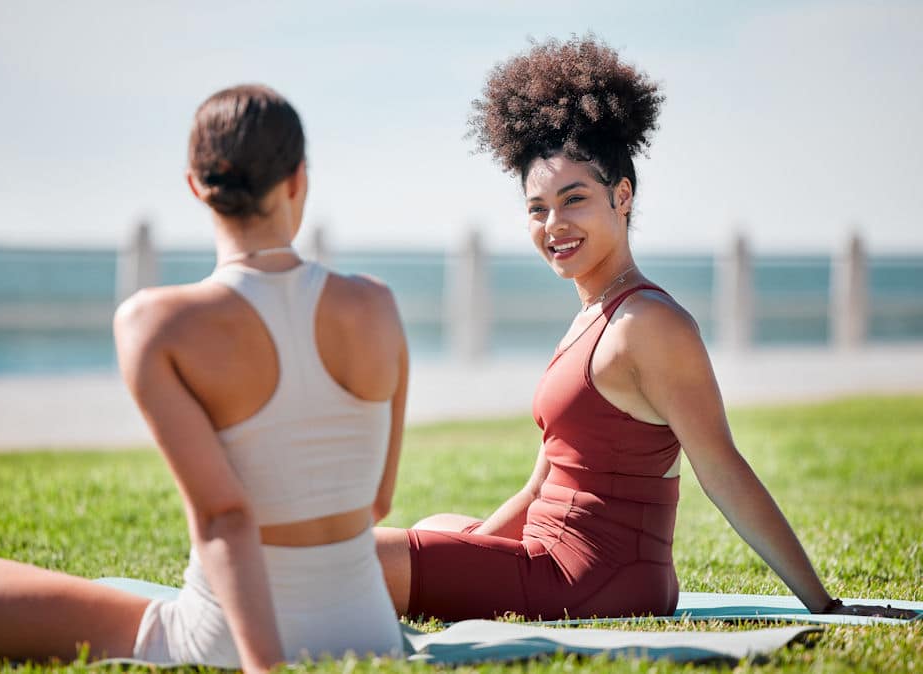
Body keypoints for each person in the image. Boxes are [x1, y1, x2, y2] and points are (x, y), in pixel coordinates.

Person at [374, 35, 915, 623]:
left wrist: (823, 603)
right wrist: (475, 546)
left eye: (573, 199)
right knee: (434, 528)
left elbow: (721, 467)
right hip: (554, 556)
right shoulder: (592, 316)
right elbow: (538, 490)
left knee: (358, 560)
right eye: (537, 208)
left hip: (591, 579)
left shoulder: (647, 322)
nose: (553, 224)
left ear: (621, 195)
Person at [0, 84, 408, 672]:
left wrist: (265, 666)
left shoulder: (154, 323)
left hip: (233, 638)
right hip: (369, 627)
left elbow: (224, 518)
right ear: (298, 179)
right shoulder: (378, 304)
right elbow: (377, 501)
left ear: (196, 187)